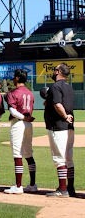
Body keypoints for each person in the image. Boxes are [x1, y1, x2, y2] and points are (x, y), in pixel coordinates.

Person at [44, 63, 75, 197]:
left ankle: (63, 189)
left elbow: (58, 104)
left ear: (58, 71)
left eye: (54, 69)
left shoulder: (55, 86)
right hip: (69, 127)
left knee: (59, 158)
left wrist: (65, 116)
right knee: (68, 158)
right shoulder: (69, 87)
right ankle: (70, 188)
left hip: (58, 126)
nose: (53, 71)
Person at [4, 69, 37, 195]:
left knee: (18, 154)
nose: (13, 79)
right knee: (28, 153)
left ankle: (18, 186)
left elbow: (13, 111)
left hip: (19, 123)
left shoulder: (13, 93)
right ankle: (33, 185)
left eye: (14, 77)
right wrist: (26, 118)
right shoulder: (30, 93)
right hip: (28, 125)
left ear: (17, 78)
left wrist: (23, 117)